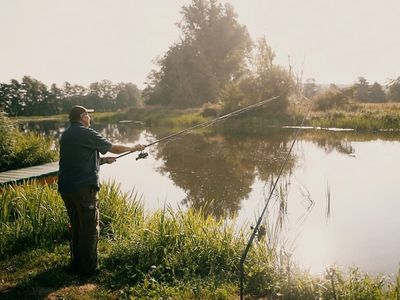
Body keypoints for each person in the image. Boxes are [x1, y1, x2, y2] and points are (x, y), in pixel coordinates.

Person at [58, 105, 145, 276]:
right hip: (84, 188)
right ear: (83, 116)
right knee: (89, 227)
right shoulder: (86, 133)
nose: (90, 118)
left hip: (66, 187)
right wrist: (134, 148)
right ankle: (89, 269)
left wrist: (103, 161)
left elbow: (77, 158)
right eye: (88, 116)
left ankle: (76, 264)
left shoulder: (67, 134)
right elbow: (114, 147)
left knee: (76, 226)